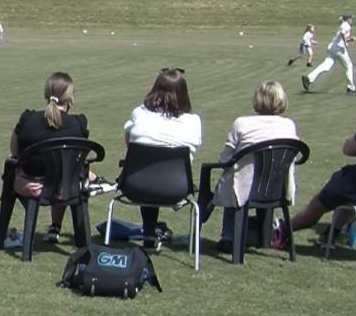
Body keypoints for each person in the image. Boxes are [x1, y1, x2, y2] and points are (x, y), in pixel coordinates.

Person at [201, 80, 297, 253]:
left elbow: (225, 159)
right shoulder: (289, 125)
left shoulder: (242, 123)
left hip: (243, 188)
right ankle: (263, 234)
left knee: (233, 180)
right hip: (275, 187)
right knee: (249, 177)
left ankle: (229, 236)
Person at [122, 68, 203, 250]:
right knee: (155, 174)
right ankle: (149, 234)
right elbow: (193, 150)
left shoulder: (139, 114)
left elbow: (130, 142)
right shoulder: (193, 122)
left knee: (149, 172)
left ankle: (149, 233)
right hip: (177, 188)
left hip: (136, 185)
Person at [7, 72, 91, 245]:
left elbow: (14, 150)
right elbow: (79, 157)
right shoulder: (78, 124)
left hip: (30, 185)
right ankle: (57, 228)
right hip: (65, 187)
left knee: (53, 173)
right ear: (71, 98)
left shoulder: (28, 119)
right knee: (63, 173)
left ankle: (54, 227)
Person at [271, 117, 356, 250]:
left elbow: (348, 149)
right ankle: (332, 233)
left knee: (322, 202)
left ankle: (283, 229)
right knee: (349, 193)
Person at [303, 15, 356, 94]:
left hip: (332, 47)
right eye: (351, 18)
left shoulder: (344, 25)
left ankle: (309, 78)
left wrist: (349, 40)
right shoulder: (346, 25)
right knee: (349, 65)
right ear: (347, 19)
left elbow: (340, 37)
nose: (352, 20)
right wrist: (345, 42)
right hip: (339, 49)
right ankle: (351, 87)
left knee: (326, 65)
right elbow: (342, 34)